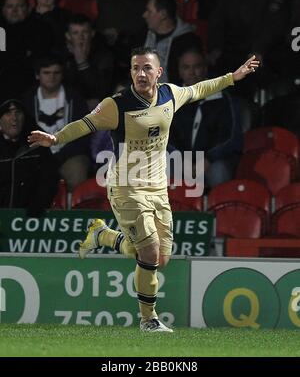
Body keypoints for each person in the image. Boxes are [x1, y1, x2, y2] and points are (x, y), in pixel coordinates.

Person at [28, 47, 259, 332]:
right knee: (148, 253)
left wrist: (233, 77)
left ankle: (103, 235)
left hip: (157, 189)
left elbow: (199, 88)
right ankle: (148, 319)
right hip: (126, 188)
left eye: (147, 68)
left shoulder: (170, 95)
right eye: (136, 68)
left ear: (158, 72)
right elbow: (85, 123)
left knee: (159, 259)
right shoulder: (117, 105)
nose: (140, 73)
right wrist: (56, 137)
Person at [169, 48, 243, 190]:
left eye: (196, 66)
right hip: (181, 160)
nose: (191, 72)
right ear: (179, 71)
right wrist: (182, 160)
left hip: (214, 161)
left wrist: (207, 159)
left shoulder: (222, 98)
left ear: (205, 68)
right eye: (186, 67)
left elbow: (231, 138)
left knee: (218, 172)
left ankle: (218, 212)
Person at [21, 54, 91, 192]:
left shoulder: (75, 98)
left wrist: (59, 157)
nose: (51, 77)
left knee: (77, 173)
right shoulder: (27, 99)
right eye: (46, 73)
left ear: (62, 75)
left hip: (70, 155)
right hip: (37, 155)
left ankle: (72, 213)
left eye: (56, 73)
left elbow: (83, 133)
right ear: (37, 75)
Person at [0, 99, 58, 216]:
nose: (14, 118)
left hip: (30, 217)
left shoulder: (38, 144)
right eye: (8, 113)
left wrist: (39, 203)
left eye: (18, 112)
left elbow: (49, 178)